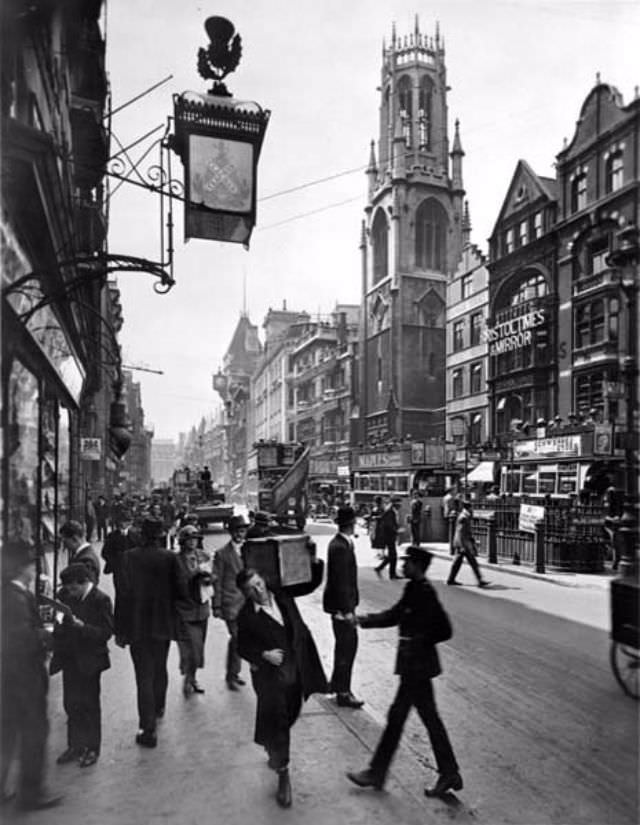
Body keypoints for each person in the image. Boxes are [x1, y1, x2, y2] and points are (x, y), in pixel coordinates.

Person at [346, 546, 462, 798]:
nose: (403, 564)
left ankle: (378, 772)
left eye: (408, 561)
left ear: (418, 566)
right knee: (423, 719)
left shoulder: (426, 592)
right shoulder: (413, 589)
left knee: (400, 718)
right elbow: (394, 615)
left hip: (418, 667)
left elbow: (445, 629)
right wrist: (362, 620)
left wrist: (420, 640)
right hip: (413, 667)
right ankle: (448, 772)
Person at [236, 559, 328, 809]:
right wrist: (263, 655)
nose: (258, 591)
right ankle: (284, 775)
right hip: (271, 676)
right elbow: (241, 646)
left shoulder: (283, 595)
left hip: (296, 667)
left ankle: (271, 742)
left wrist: (314, 561)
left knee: (291, 713)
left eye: (258, 584)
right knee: (279, 720)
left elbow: (309, 583)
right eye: (251, 590)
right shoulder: (246, 617)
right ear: (245, 594)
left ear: (264, 580)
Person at [0, 540, 62, 810]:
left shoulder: (8, 592)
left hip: (7, 678)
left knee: (7, 734)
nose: (34, 569)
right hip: (23, 678)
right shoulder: (15, 598)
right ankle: (30, 794)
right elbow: (20, 639)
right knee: (34, 733)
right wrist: (46, 636)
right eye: (31, 563)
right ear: (22, 567)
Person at [117, 517, 186, 748]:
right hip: (163, 625)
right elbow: (182, 592)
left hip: (137, 626)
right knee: (160, 667)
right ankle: (159, 707)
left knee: (143, 676)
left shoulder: (128, 558)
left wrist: (120, 630)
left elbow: (122, 595)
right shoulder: (170, 558)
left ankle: (148, 730)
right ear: (160, 535)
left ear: (142, 535)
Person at [50, 563, 113, 768]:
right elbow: (58, 623)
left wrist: (83, 627)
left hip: (90, 661)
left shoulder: (101, 600)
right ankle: (75, 745)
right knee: (71, 703)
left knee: (90, 705)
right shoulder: (67, 597)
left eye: (71, 588)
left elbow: (106, 633)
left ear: (83, 583)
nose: (68, 592)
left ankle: (92, 748)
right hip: (70, 658)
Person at [323, 505, 364, 709]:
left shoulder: (340, 544)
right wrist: (347, 610)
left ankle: (336, 684)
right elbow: (341, 582)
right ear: (351, 524)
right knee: (347, 649)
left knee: (343, 648)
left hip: (342, 606)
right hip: (342, 609)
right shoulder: (340, 547)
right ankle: (343, 693)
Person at [212, 515, 250, 690]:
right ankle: (231, 675)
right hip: (230, 603)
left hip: (248, 602)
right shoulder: (222, 554)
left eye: (242, 531)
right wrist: (217, 605)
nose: (240, 534)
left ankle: (234, 673)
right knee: (236, 638)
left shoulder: (250, 550)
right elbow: (217, 581)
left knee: (243, 638)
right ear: (231, 532)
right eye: (237, 531)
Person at [175, 526, 211, 696]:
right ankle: (189, 677)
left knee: (200, 647)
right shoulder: (176, 560)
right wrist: (194, 574)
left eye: (195, 538)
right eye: (189, 539)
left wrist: (210, 578)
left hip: (202, 608)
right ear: (182, 541)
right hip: (185, 610)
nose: (192, 542)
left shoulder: (203, 556)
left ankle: (192, 676)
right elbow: (175, 584)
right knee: (191, 649)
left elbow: (214, 576)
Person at [447, 500, 490, 588]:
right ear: (468, 507)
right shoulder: (463, 517)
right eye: (471, 507)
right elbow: (461, 532)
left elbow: (466, 532)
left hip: (463, 543)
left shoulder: (465, 516)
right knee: (471, 562)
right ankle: (480, 580)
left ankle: (451, 579)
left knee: (458, 563)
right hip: (463, 544)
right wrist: (463, 545)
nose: (472, 509)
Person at [59, 520, 101, 584]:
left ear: (74, 539)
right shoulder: (85, 555)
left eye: (65, 542)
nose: (65, 546)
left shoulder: (86, 560)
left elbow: (87, 588)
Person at [375, 498, 401, 579]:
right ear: (395, 504)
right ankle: (392, 574)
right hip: (388, 536)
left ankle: (380, 568)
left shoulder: (391, 511)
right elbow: (389, 524)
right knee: (393, 555)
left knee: (392, 555)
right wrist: (396, 530)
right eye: (399, 503)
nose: (400, 505)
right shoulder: (390, 512)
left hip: (389, 535)